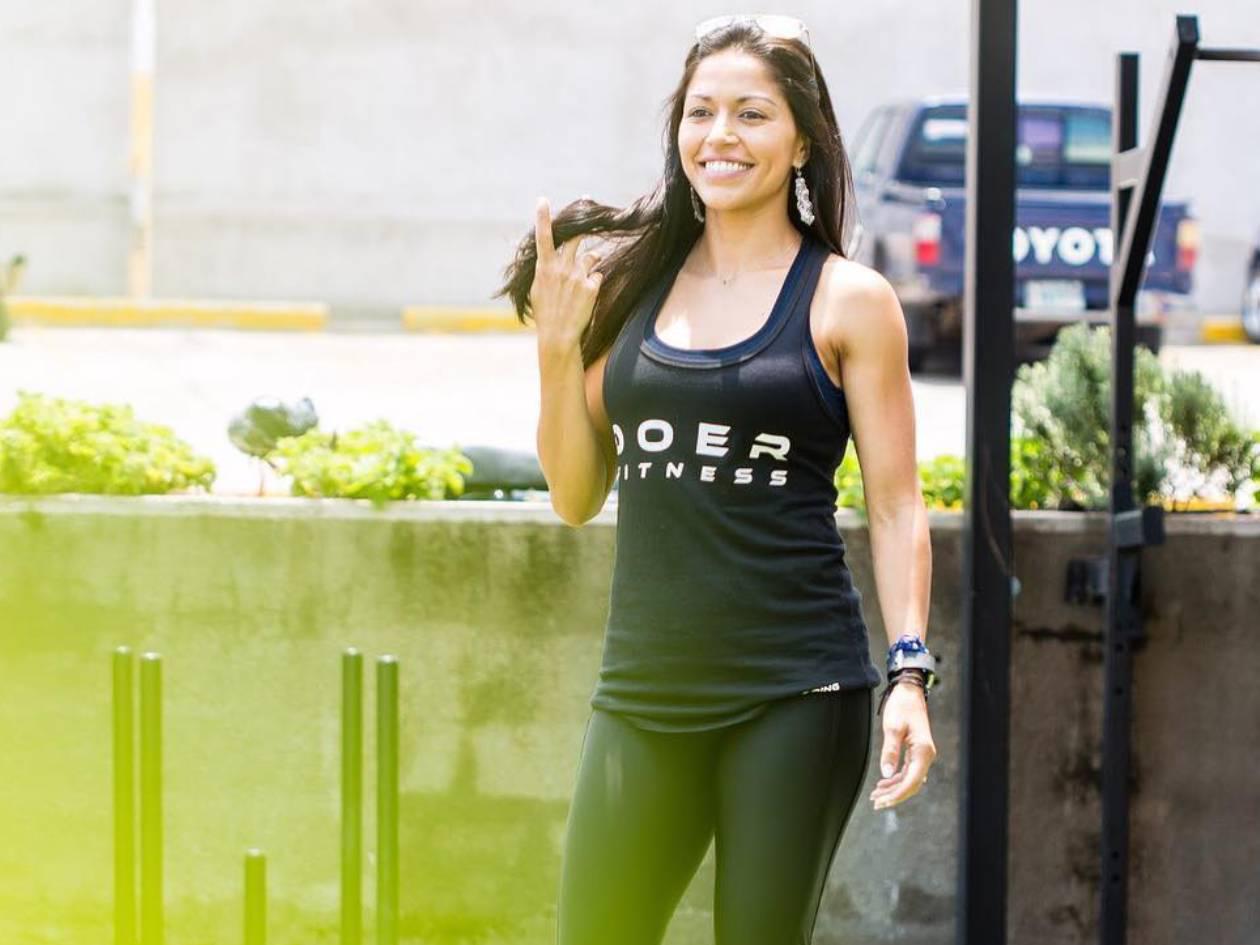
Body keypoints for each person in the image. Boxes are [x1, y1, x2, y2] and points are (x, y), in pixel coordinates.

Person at [495, 14, 939, 944]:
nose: (720, 136)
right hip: (643, 690)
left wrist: (909, 673)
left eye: (752, 113)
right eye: (700, 113)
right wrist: (555, 350)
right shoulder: (630, 288)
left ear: (802, 140)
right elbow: (575, 498)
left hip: (796, 694)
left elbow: (897, 504)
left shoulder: (848, 300)